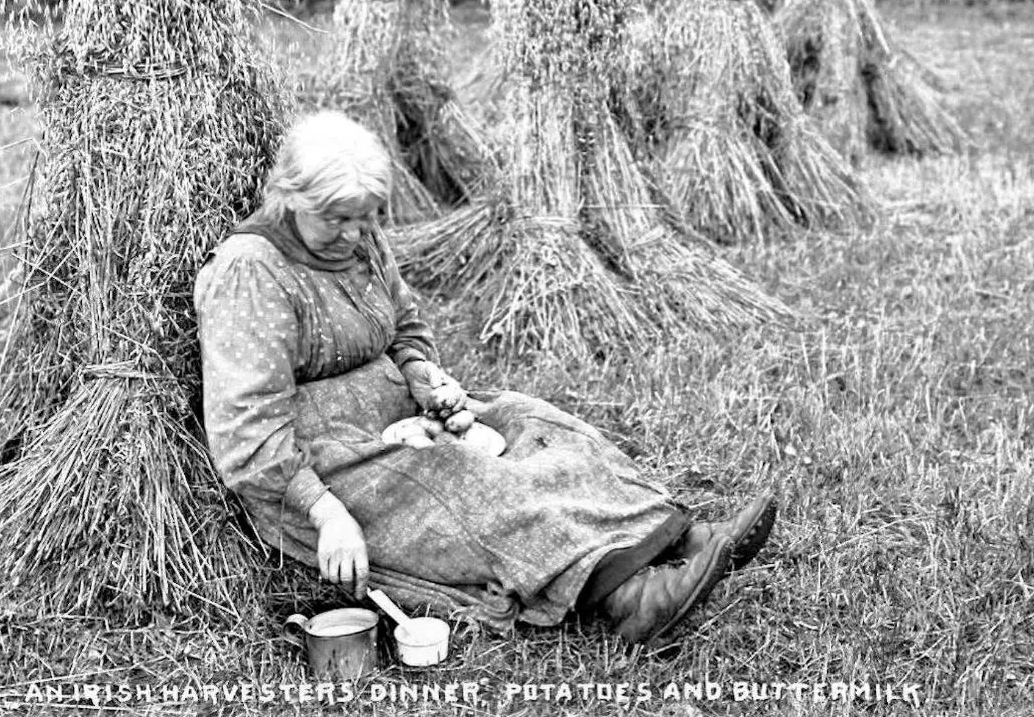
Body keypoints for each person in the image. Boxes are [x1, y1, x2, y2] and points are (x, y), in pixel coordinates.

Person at [195, 109, 776, 646]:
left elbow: (405, 325)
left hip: (403, 412)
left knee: (531, 421)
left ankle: (674, 536)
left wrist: (423, 376)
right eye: (336, 219)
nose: (355, 234)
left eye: (366, 217)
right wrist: (325, 513)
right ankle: (629, 597)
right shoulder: (251, 273)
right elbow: (248, 434)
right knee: (473, 480)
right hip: (324, 459)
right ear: (290, 196)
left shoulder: (362, 238)